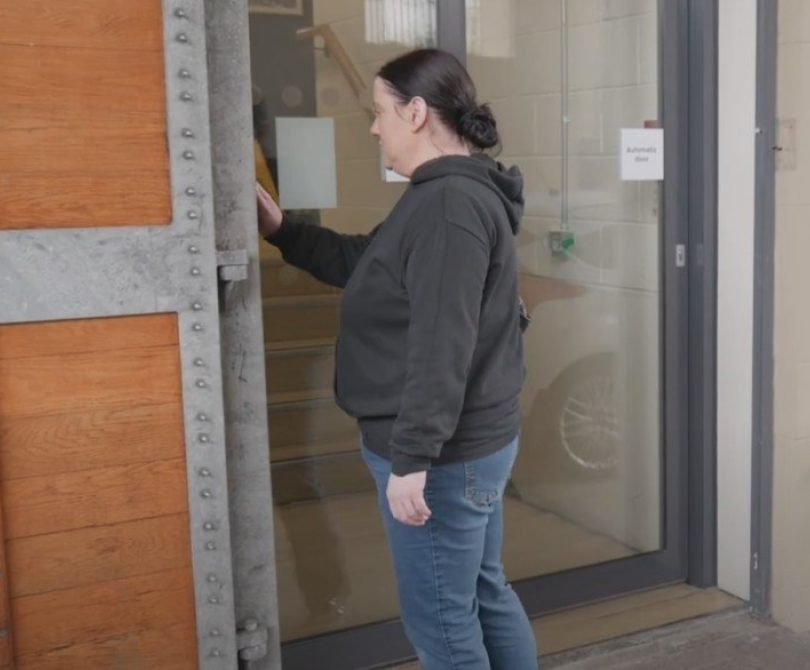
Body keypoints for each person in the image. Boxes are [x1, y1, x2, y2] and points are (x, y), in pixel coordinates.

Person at [257, 48, 538, 670]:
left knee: (442, 624)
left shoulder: (447, 207)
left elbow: (444, 344)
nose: (373, 126)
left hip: (443, 457)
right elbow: (368, 264)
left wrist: (413, 459)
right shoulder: (445, 196)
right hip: (468, 447)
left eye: (379, 112)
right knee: (484, 594)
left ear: (415, 113)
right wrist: (284, 231)